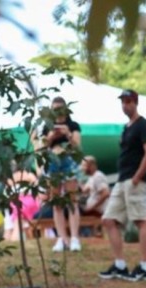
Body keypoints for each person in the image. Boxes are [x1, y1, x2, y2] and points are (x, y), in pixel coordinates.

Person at [99, 89, 146, 282]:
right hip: (122, 180)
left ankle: (145, 267)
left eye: (129, 101)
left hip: (134, 180)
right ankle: (120, 264)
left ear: (136, 102)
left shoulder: (143, 125)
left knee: (140, 219)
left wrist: (137, 177)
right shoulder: (126, 127)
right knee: (109, 220)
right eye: (123, 102)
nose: (125, 105)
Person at [41, 97, 83, 253]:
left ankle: (74, 238)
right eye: (55, 109)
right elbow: (42, 147)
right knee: (56, 202)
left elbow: (77, 146)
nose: (57, 112)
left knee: (72, 200)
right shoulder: (47, 126)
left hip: (69, 162)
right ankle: (62, 238)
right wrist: (51, 137)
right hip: (53, 163)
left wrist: (68, 134)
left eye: (60, 108)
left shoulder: (73, 125)